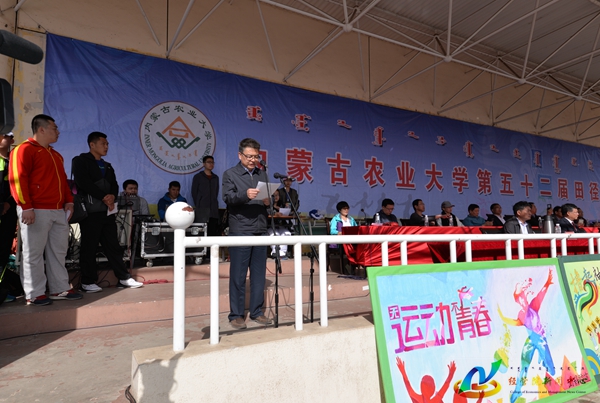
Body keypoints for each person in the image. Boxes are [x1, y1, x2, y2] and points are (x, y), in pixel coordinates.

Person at [8, 114, 83, 305]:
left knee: (58, 252)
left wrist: (69, 201)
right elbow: (17, 180)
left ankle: (60, 288)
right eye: (54, 128)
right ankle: (34, 293)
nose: (58, 132)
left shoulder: (55, 154)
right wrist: (26, 207)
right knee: (33, 253)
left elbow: (63, 181)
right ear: (41, 129)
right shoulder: (23, 149)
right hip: (35, 209)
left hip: (58, 210)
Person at [72, 132, 143, 293]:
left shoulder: (108, 166)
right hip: (90, 212)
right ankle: (87, 281)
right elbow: (83, 183)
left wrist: (111, 196)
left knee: (113, 245)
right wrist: (103, 196)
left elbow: (114, 185)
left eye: (107, 144)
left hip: (107, 212)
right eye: (103, 143)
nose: (106, 146)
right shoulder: (80, 161)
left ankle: (123, 277)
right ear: (92, 145)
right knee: (89, 247)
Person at [222, 138, 272, 329]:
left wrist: (268, 202)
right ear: (240, 155)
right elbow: (227, 198)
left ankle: (257, 312)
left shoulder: (262, 174)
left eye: (256, 156)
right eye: (249, 156)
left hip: (260, 229)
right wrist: (245, 195)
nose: (253, 160)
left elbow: (270, 203)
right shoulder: (230, 174)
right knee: (238, 274)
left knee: (258, 275)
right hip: (241, 229)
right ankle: (236, 314)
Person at [498, 270, 555, 403]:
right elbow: (514, 322)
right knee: (523, 365)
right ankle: (517, 390)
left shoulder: (533, 306)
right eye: (519, 299)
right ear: (518, 301)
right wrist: (502, 316)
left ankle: (546, 366)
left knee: (551, 369)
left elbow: (541, 295)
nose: (521, 300)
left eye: (522, 297)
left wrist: (547, 283)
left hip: (540, 339)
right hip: (530, 341)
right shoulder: (521, 314)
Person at [0, 132, 17, 272]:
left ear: (12, 140)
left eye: (4, 136)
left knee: (4, 247)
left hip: (9, 209)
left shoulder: (15, 161)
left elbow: (19, 185)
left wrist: (8, 204)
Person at [191, 155, 220, 237]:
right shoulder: (198, 177)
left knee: (212, 232)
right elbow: (194, 193)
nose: (211, 164)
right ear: (204, 164)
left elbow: (216, 192)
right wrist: (199, 205)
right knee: (202, 233)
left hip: (213, 210)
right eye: (209, 162)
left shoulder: (215, 178)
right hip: (202, 210)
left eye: (212, 162)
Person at [268, 191, 292, 259]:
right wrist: (274, 213)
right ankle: (275, 253)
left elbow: (289, 212)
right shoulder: (267, 205)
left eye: (277, 195)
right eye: (274, 195)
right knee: (275, 235)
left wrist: (280, 208)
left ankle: (283, 253)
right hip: (270, 226)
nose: (276, 197)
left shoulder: (282, 204)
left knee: (287, 233)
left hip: (281, 225)